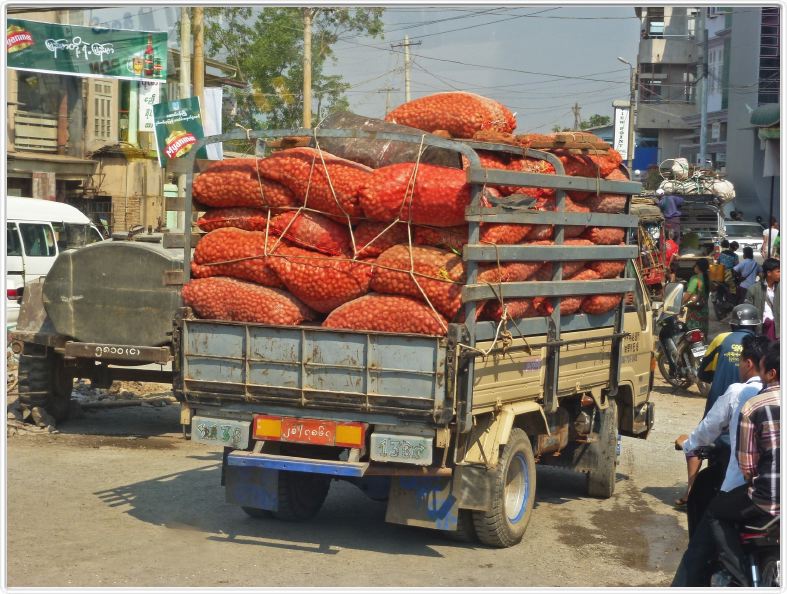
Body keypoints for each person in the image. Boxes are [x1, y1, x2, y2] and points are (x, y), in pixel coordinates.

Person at [672, 342, 780, 587]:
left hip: (754, 493)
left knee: (700, 547)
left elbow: (746, 464)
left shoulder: (745, 398)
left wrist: (689, 445)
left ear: (753, 365)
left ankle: (736, 578)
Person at [673, 335, 768, 529]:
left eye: (740, 362)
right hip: (774, 491)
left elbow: (707, 429)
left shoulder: (739, 392)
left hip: (740, 486)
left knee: (707, 534)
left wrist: (689, 444)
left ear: (748, 363)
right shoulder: (776, 395)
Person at [697, 303, 760, 415]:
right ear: (755, 325)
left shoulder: (720, 339)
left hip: (717, 405)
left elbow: (703, 374)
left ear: (732, 324)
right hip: (747, 408)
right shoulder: (759, 345)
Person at [745, 257, 781, 340]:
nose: (781, 273)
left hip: (779, 329)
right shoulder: (753, 290)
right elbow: (749, 312)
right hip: (762, 329)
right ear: (769, 273)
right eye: (778, 271)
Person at [683, 258, 710, 338]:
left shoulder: (695, 278)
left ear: (698, 267)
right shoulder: (707, 278)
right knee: (702, 333)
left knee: (693, 332)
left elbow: (689, 293)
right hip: (704, 310)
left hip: (695, 311)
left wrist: (681, 303)